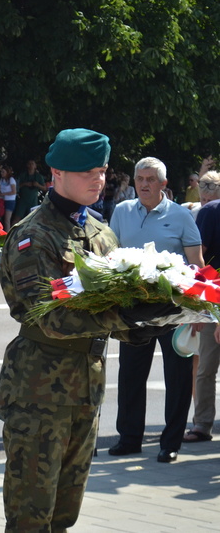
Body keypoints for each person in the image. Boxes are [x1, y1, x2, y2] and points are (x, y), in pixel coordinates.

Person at [0, 128, 179, 531]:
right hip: (38, 389)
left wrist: (148, 322)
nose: (98, 180)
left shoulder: (101, 233)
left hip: (85, 386)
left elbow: (114, 308)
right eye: (86, 172)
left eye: (102, 171)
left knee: (64, 513)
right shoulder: (33, 235)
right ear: (57, 172)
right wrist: (126, 320)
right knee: (31, 514)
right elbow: (47, 316)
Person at [108, 157, 203, 463]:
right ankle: (129, 438)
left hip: (174, 308)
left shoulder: (180, 216)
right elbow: (111, 256)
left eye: (151, 179)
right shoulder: (122, 211)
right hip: (133, 308)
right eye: (140, 179)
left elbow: (196, 265)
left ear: (163, 184)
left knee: (177, 377)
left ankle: (170, 442)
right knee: (131, 374)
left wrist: (199, 312)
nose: (144, 184)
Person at [186, 170, 220, 443]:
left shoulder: (208, 211)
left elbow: (198, 258)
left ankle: (202, 425)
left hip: (212, 297)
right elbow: (200, 259)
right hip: (213, 297)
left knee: (206, 366)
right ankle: (202, 424)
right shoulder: (211, 212)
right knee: (206, 365)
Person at [0, 165, 17, 229]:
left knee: (7, 219)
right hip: (2, 200)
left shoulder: (11, 180)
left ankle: (7, 234)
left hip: (10, 201)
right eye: (1, 172)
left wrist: (4, 194)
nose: (2, 173)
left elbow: (14, 191)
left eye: (3, 172)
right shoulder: (1, 180)